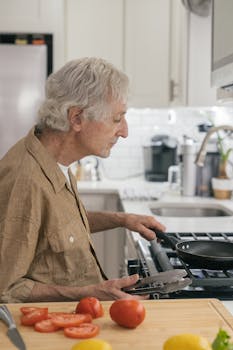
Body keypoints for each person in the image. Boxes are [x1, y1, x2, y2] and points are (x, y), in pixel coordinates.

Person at [0, 57, 165, 303]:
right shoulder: (26, 181)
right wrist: (87, 293)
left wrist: (122, 219)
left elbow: (56, 227)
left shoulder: (55, 161)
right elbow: (6, 289)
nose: (125, 131)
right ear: (76, 118)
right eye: (117, 119)